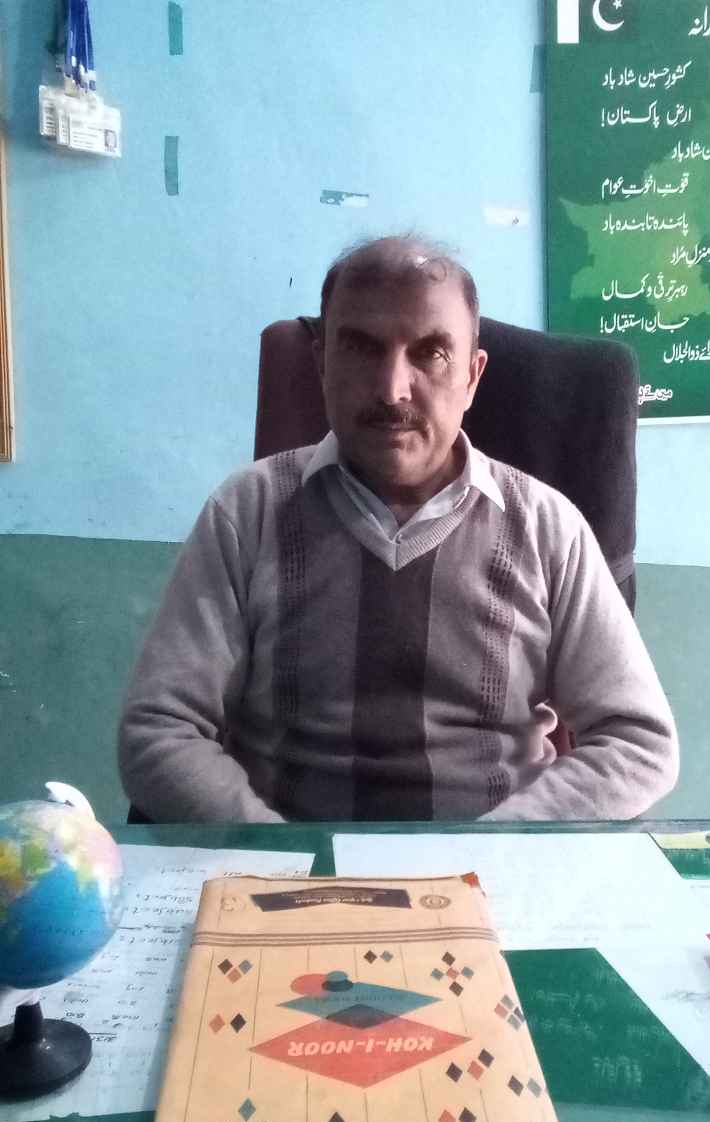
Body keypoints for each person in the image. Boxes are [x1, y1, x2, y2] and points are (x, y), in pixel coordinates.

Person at [118, 235, 679, 823]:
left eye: (431, 353)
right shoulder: (246, 512)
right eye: (361, 349)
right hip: (290, 867)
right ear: (321, 365)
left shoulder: (547, 528)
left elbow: (639, 743)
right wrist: (282, 856)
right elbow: (157, 731)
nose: (392, 390)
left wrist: (496, 849)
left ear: (472, 377)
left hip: (495, 865)